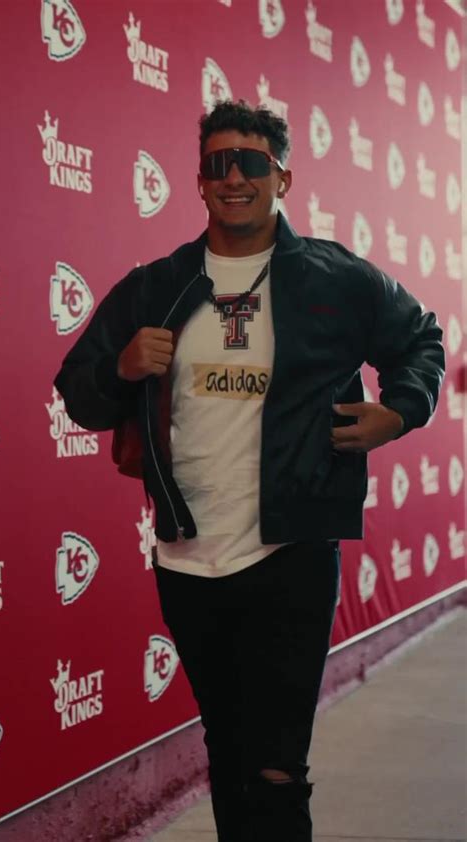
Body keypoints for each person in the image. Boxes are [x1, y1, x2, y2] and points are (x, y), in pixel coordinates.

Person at [54, 100, 445, 842]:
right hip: (187, 557)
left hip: (292, 552)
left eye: (252, 162)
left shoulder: (336, 278)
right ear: (200, 180)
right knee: (230, 752)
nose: (234, 177)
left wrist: (399, 412)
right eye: (218, 163)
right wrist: (120, 367)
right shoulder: (157, 286)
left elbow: (421, 340)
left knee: (276, 767)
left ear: (282, 177)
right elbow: (79, 392)